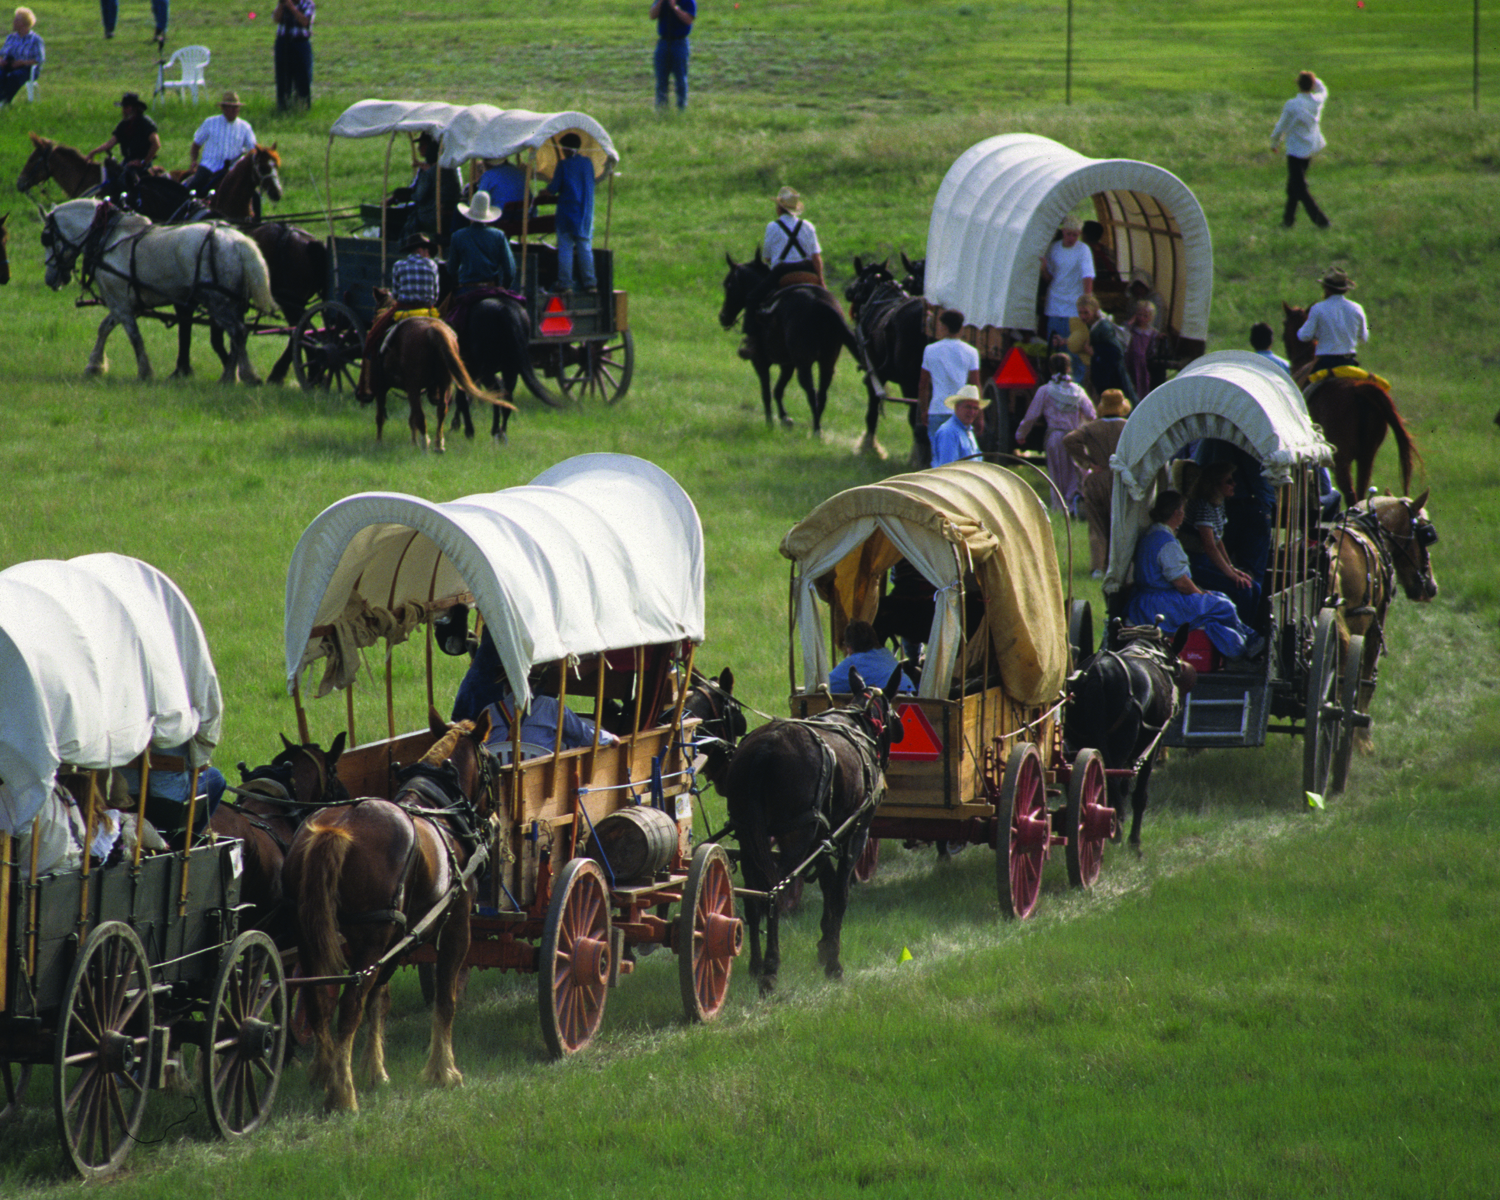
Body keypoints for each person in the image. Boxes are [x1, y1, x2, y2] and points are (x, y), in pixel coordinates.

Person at [1125, 490, 1265, 663]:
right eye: (1183, 511)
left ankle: (1240, 646)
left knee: (1216, 603)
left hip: (1150, 600)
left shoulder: (1151, 535)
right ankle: (1250, 640)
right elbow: (1182, 583)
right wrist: (1200, 595)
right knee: (1223, 606)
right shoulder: (1165, 542)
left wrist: (1203, 595)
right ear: (1177, 513)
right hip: (1160, 604)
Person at [740, 186, 824, 356]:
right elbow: (816, 258)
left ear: (779, 208)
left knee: (752, 298)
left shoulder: (773, 226)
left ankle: (752, 341)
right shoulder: (808, 225)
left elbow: (767, 258)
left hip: (782, 272)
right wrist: (821, 281)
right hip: (808, 271)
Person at [356, 232, 441, 398]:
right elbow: (436, 295)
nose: (429, 254)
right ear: (420, 249)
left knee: (373, 336)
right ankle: (439, 387)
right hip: (429, 312)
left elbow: (395, 294)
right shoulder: (432, 265)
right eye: (427, 250)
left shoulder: (398, 265)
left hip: (404, 312)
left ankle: (368, 383)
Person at [1016, 353, 1098, 514]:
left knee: (1057, 475)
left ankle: (1061, 510)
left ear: (1050, 369)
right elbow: (1092, 415)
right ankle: (1074, 506)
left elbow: (1031, 416)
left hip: (1056, 437)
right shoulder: (1078, 391)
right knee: (1075, 474)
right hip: (1074, 437)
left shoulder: (1045, 391)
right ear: (1069, 368)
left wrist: (1021, 434)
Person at [1062, 389, 1130, 578]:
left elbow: (1069, 440)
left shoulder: (1091, 428)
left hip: (1097, 479)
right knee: (1119, 524)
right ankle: (1118, 566)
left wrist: (1088, 463)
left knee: (1097, 524)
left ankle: (1098, 568)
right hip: (1120, 479)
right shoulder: (1128, 427)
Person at [1184, 462, 1261, 626]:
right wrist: (1231, 575)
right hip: (1194, 563)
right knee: (1243, 590)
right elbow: (1209, 546)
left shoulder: (1218, 504)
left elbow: (1218, 540)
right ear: (1214, 485)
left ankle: (1249, 628)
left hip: (1206, 561)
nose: (1234, 484)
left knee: (1255, 587)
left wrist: (1231, 567)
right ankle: (1240, 631)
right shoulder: (1203, 506)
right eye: (1229, 481)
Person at [480, 668, 620, 756]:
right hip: (538, 780)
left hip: (496, 781)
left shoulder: (489, 711)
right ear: (533, 685)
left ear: (506, 686)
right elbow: (582, 735)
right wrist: (608, 737)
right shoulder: (550, 706)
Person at [1271, 70, 1330, 229]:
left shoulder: (1292, 104)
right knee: (1293, 187)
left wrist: (1274, 142)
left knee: (1300, 189)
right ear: (1312, 85)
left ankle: (1322, 221)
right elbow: (1323, 90)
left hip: (1295, 151)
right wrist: (1315, 81)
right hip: (1309, 149)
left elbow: (1281, 126)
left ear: (1298, 84)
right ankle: (1287, 221)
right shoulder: (1317, 101)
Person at [538, 132, 596, 295]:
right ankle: (590, 283)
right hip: (585, 214)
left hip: (567, 214)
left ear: (567, 148)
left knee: (565, 249)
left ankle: (566, 284)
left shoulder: (563, 165)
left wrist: (545, 191)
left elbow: (554, 188)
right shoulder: (588, 163)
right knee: (585, 248)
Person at [1039, 215, 1093, 375]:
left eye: (1075, 235)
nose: (1071, 238)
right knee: (1055, 347)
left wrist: (1087, 301)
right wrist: (1044, 269)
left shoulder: (1083, 250)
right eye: (1069, 234)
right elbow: (1049, 278)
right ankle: (1056, 379)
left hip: (1073, 308)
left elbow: (1088, 276)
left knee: (1074, 348)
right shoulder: (1054, 248)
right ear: (1063, 232)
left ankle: (1076, 382)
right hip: (1055, 305)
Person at [918, 310, 980, 440]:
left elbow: (923, 385)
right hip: (961, 413)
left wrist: (924, 410)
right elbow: (975, 385)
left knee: (939, 450)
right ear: (961, 328)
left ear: (944, 327)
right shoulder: (971, 352)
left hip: (937, 410)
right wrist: (980, 415)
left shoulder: (930, 350)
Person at [185, 91, 257, 196]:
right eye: (231, 107)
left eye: (237, 107)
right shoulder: (210, 122)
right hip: (209, 166)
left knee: (254, 195)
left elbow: (253, 149)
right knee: (194, 186)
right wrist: (194, 161)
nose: (235, 110)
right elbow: (196, 144)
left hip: (233, 170)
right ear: (223, 108)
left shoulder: (245, 127)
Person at [1297, 267, 1367, 372]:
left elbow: (1304, 336)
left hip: (1325, 362)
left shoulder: (1318, 308)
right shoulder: (1357, 308)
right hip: (1349, 362)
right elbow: (1364, 337)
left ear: (1326, 289)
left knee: (1303, 382)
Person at [448, 191, 517, 292]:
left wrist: (455, 285)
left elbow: (451, 269)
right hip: (491, 288)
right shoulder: (499, 236)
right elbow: (510, 270)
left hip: (466, 289)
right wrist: (504, 286)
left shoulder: (457, 236)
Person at [1077, 294, 1137, 403]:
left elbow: (1116, 352)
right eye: (1080, 313)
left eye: (1086, 312)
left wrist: (1095, 352)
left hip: (1113, 377)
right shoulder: (1091, 326)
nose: (1083, 316)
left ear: (1094, 311)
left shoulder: (1104, 328)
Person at [828, 620, 914, 695]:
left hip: (893, 702)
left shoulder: (854, 662)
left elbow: (826, 687)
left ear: (849, 649)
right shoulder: (887, 655)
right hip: (912, 697)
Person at [86, 92, 160, 175]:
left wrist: (143, 162)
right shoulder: (124, 125)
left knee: (126, 178)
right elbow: (110, 143)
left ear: (135, 108)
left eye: (126, 107)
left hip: (142, 164)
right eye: (123, 107)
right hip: (128, 161)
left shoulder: (145, 123)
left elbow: (156, 144)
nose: (123, 110)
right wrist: (94, 152)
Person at [648, 0, 694, 110]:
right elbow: (652, 15)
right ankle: (661, 109)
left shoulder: (688, 1)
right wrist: (660, 3)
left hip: (679, 42)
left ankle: (681, 108)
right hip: (663, 42)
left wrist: (674, 8)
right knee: (661, 79)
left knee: (680, 79)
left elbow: (688, 20)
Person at [930, 385, 987, 468]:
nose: (972, 412)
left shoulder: (969, 431)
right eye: (968, 407)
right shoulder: (948, 432)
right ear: (957, 407)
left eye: (975, 408)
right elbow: (947, 469)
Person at [272, 0, 314, 112]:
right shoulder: (283, 4)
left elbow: (305, 21)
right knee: (283, 77)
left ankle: (302, 106)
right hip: (283, 42)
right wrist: (282, 5)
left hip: (300, 42)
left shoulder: (307, 4)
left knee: (303, 78)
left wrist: (291, 8)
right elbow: (276, 18)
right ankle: (283, 106)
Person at [0, 7, 43, 108]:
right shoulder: (11, 37)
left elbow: (39, 59)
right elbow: (2, 53)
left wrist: (22, 63)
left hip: (27, 68)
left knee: (14, 77)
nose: (13, 22)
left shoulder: (35, 40)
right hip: (10, 65)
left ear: (23, 23)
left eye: (16, 20)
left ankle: (4, 101)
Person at [1124, 299, 1159, 400]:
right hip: (1129, 361)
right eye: (1139, 315)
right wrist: (1130, 323)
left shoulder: (1152, 333)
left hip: (1142, 364)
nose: (1142, 318)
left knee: (1141, 384)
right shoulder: (1131, 329)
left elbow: (1152, 350)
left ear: (1151, 318)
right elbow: (1123, 334)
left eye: (1145, 316)